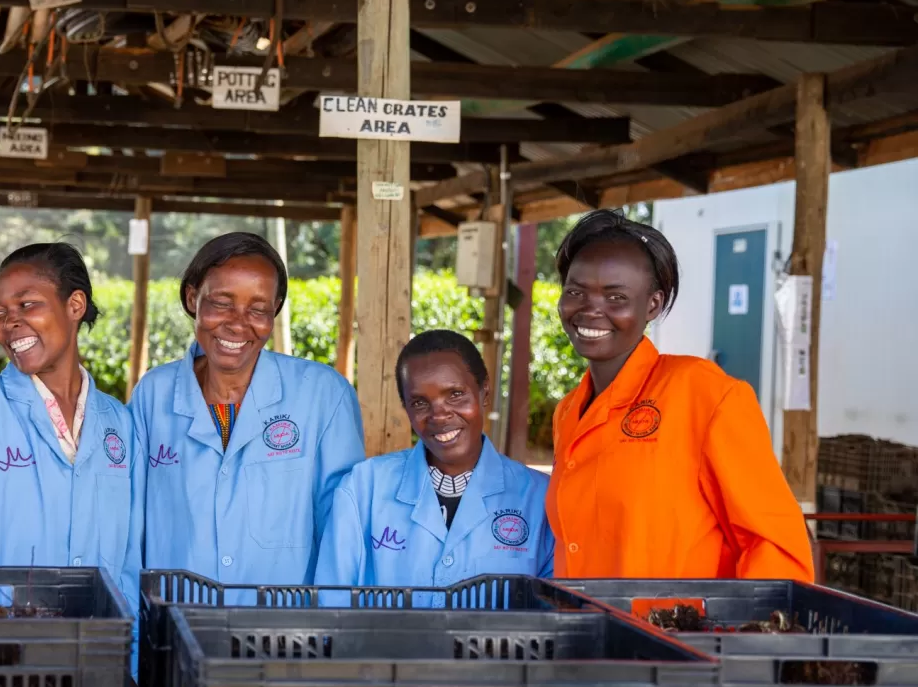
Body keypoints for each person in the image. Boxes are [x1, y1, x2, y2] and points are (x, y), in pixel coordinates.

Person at [547, 210, 813, 580]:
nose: (591, 310)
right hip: (585, 630)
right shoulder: (569, 412)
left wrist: (745, 637)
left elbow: (775, 548)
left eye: (616, 296)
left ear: (652, 305)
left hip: (676, 635)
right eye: (575, 292)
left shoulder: (705, 395)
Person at [130, 232, 363, 590]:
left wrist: (327, 631)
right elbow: (131, 525)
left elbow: (343, 530)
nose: (238, 324)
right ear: (193, 298)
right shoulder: (154, 393)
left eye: (257, 309)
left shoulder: (323, 394)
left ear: (275, 309)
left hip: (284, 632)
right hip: (175, 624)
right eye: (221, 303)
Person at [0, 243, 142, 608]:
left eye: (27, 304)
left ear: (75, 306)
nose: (9, 322)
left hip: (99, 649)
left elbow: (128, 563)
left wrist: (130, 655)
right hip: (0, 653)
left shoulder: (119, 422)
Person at [314, 330, 553, 595]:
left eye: (455, 394)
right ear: (405, 407)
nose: (439, 416)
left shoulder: (538, 497)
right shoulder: (364, 488)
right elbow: (332, 603)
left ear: (484, 392)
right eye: (419, 402)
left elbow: (552, 611)